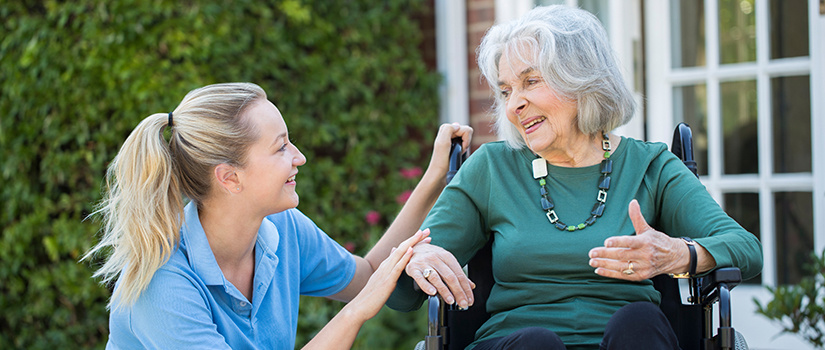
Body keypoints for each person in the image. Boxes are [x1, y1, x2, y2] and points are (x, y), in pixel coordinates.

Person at [386, 5, 762, 350]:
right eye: (506, 90)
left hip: (632, 341)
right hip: (517, 344)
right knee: (536, 345)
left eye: (530, 82)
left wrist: (680, 254)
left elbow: (745, 248)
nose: (514, 104)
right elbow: (402, 296)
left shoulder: (650, 165)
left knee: (640, 323)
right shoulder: (491, 168)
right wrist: (417, 258)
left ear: (582, 79)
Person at [83, 82, 473, 349]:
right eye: (281, 147)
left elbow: (368, 276)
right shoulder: (161, 283)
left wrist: (435, 176)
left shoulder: (279, 230)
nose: (299, 157)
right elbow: (364, 296)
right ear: (230, 178)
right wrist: (356, 312)